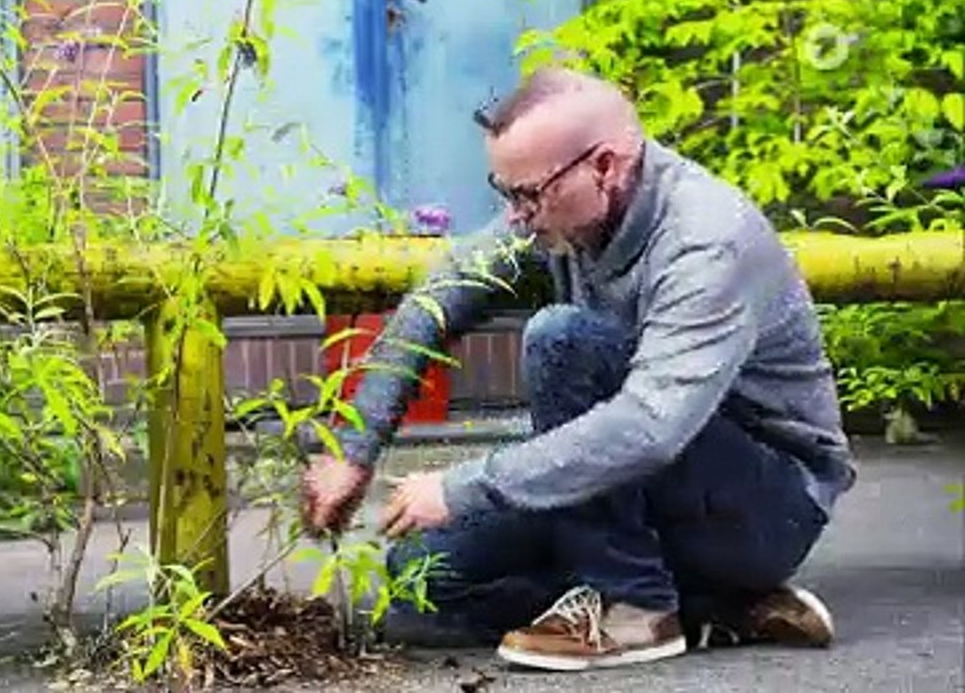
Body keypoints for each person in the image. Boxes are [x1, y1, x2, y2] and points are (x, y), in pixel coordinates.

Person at [300, 66, 856, 672]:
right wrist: (353, 450)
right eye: (505, 193)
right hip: (636, 487)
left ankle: (638, 608)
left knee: (561, 339)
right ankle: (712, 605)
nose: (516, 217)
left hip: (761, 507)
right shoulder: (558, 217)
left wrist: (461, 487)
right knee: (422, 582)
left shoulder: (705, 240)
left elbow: (651, 427)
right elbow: (433, 304)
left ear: (605, 167)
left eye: (527, 195)